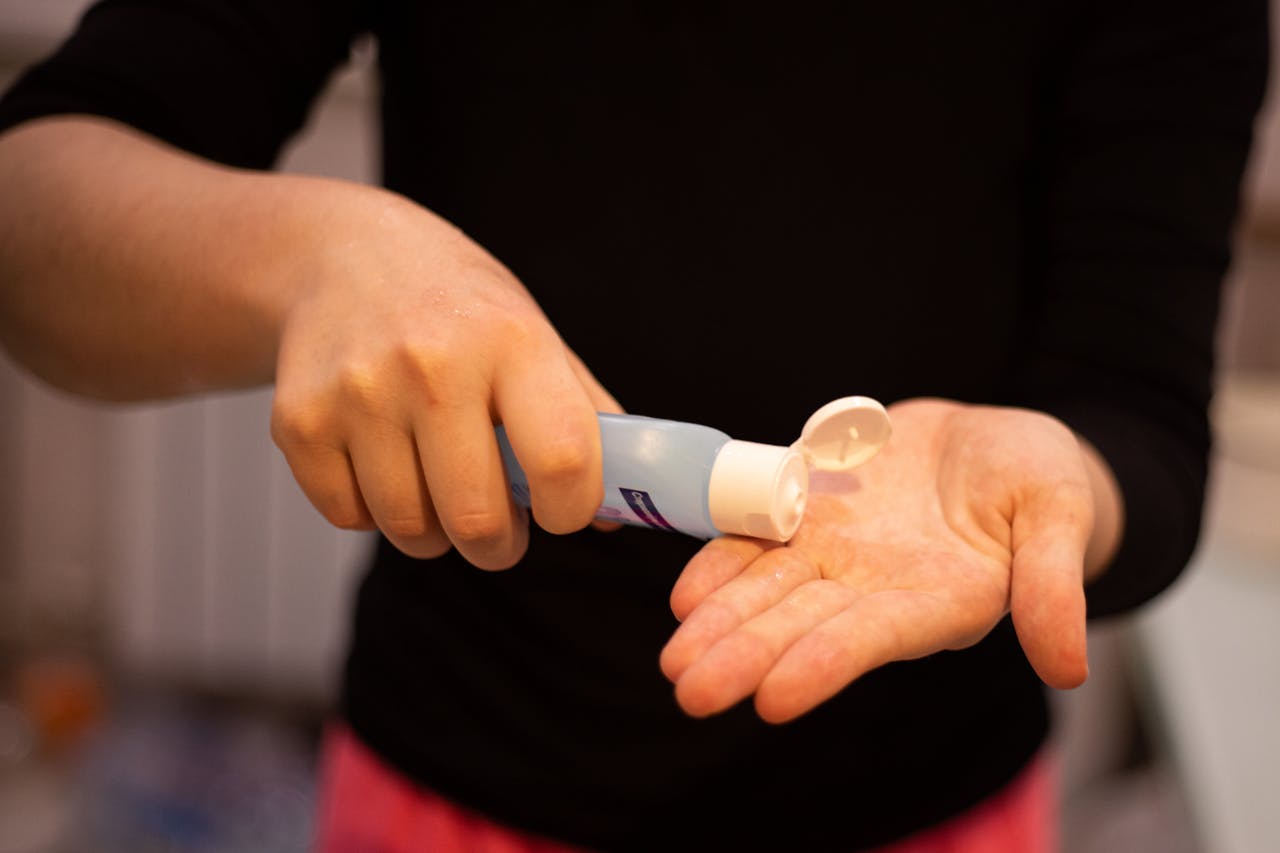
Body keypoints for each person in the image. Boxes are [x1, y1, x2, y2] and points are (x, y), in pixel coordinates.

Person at [0, 1, 1267, 851]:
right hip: (454, 776)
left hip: (929, 806)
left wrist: (1062, 486)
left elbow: (1139, 420)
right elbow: (34, 198)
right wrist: (312, 256)